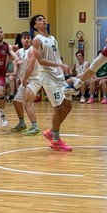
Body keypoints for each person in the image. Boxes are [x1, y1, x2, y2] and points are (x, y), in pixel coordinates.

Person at [30, 14, 73, 152]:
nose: (43, 20)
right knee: (58, 108)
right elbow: (41, 61)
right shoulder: (37, 40)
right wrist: (60, 65)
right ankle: (56, 140)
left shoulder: (52, 38)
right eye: (39, 19)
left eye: (43, 18)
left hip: (59, 76)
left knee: (68, 106)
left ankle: (52, 131)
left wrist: (62, 68)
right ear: (35, 26)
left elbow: (55, 56)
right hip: (47, 76)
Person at [11, 31, 41, 135]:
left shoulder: (32, 50)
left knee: (27, 103)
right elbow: (10, 60)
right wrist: (12, 51)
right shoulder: (19, 51)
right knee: (16, 102)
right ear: (21, 40)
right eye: (24, 38)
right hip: (25, 80)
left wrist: (23, 80)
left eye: (28, 38)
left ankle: (35, 127)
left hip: (34, 79)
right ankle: (22, 124)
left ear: (31, 40)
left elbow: (30, 67)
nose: (27, 40)